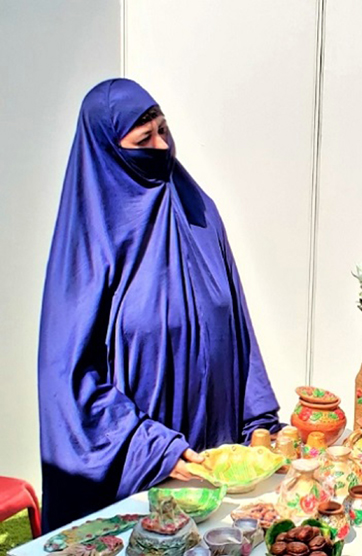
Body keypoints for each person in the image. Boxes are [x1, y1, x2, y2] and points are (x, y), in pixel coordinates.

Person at [38, 79, 281, 531]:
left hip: (209, 460)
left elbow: (238, 325)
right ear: (108, 151)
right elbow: (68, 378)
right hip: (142, 474)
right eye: (143, 138)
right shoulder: (90, 241)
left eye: (164, 129)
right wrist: (154, 449)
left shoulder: (198, 211)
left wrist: (259, 421)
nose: (162, 145)